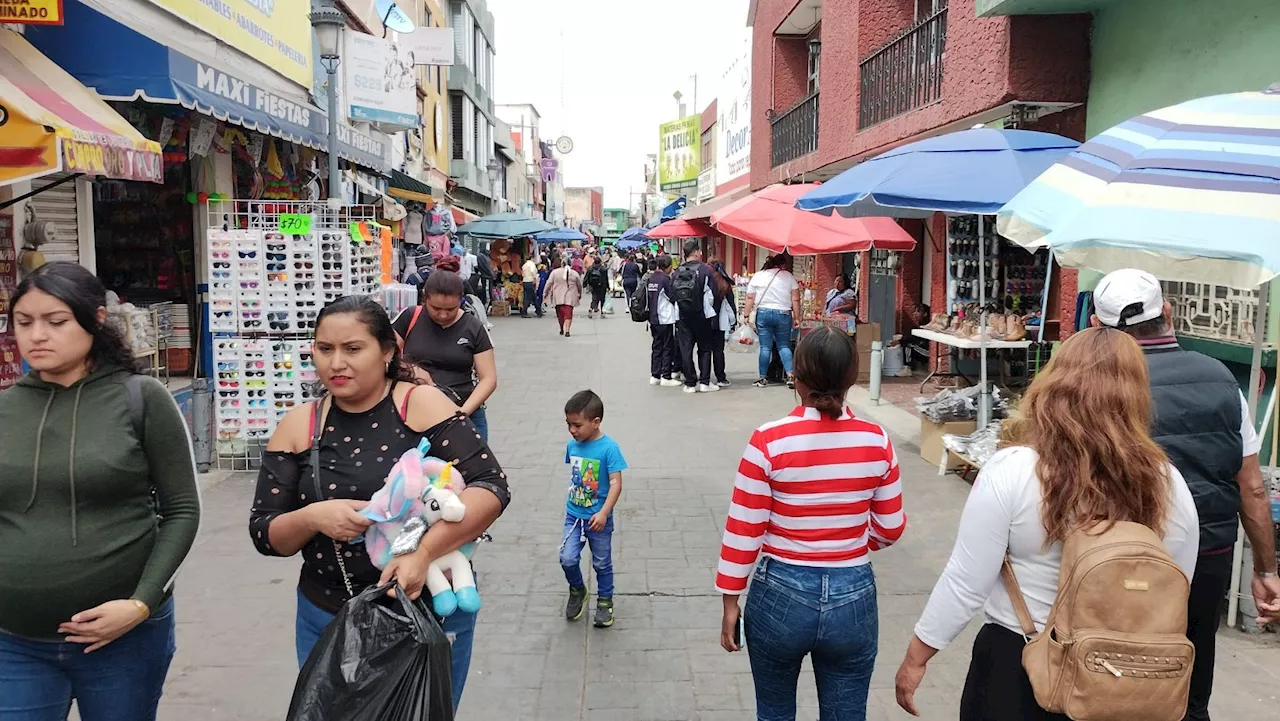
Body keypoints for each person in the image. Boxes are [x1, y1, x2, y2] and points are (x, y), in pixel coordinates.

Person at [894, 327, 1200, 720]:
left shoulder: (1016, 469)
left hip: (1018, 661)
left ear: (1054, 382)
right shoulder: (1167, 483)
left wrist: (918, 657)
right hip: (1119, 677)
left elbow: (966, 581)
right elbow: (1177, 586)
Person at [249, 296, 510, 713]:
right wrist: (313, 516)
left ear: (388, 351)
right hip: (328, 617)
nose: (336, 363)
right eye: (324, 349)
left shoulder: (420, 405)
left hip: (427, 615)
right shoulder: (299, 425)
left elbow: (491, 487)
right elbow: (265, 533)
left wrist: (422, 554)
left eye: (353, 349)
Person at [0, 262, 201, 721]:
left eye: (56, 321)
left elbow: (182, 511)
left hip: (124, 641)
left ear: (96, 320)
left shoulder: (141, 398)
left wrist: (141, 603)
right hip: (13, 642)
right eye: (24, 322)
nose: (37, 336)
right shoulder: (5, 408)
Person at [1089, 269, 1280, 720]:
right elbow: (1251, 486)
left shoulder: (1099, 388)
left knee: (1115, 674)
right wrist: (1267, 569)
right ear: (1169, 314)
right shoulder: (1221, 380)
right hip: (1207, 559)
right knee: (1191, 677)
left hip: (1124, 558)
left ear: (1097, 329)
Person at [717, 326, 905, 720]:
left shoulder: (768, 441)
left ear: (796, 378)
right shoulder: (877, 440)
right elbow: (890, 527)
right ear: (852, 378)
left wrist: (730, 601)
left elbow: (744, 530)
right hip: (853, 596)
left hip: (780, 594)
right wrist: (849, 541)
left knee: (774, 712)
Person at [393, 269, 497, 441]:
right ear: (425, 298)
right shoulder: (410, 317)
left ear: (461, 301)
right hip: (414, 413)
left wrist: (461, 413)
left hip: (464, 412)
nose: (443, 315)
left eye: (451, 309)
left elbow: (488, 379)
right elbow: (383, 356)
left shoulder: (473, 327)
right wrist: (410, 368)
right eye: (435, 308)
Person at [560, 390, 628, 629]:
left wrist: (604, 512)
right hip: (574, 516)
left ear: (596, 422)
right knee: (567, 558)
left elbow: (616, 484)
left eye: (577, 425)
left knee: (601, 563)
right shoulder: (572, 446)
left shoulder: (609, 448)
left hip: (598, 519)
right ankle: (578, 589)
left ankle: (605, 600)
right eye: (569, 424)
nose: (572, 430)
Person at [743, 253, 801, 389]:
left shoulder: (758, 276)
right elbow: (795, 299)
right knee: (784, 346)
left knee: (765, 347)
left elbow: (750, 298)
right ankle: (790, 375)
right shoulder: (789, 277)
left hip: (763, 313)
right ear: (783, 264)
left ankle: (763, 377)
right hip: (783, 314)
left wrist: (746, 315)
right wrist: (797, 317)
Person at [671, 239, 719, 394]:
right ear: (697, 252)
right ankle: (705, 382)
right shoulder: (705, 270)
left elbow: (672, 295)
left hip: (683, 316)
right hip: (702, 315)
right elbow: (713, 293)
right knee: (704, 348)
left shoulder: (677, 271)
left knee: (686, 349)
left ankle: (690, 383)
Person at [646, 255, 681, 387]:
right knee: (668, 347)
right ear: (668, 267)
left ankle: (655, 375)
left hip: (653, 317)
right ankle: (666, 376)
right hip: (665, 317)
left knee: (656, 346)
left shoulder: (651, 278)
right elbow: (672, 296)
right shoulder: (665, 279)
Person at [708, 258, 735, 387]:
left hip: (706, 320)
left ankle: (705, 377)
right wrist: (734, 321)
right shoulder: (725, 282)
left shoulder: (706, 279)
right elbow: (731, 303)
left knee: (705, 350)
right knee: (718, 350)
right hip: (720, 321)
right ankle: (721, 377)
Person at [544, 256, 583, 338]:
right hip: (570, 297)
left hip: (558, 296)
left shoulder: (555, 272)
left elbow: (549, 284)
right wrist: (579, 294)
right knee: (568, 314)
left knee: (560, 314)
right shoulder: (574, 273)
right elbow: (579, 285)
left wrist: (545, 294)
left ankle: (562, 328)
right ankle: (567, 330)